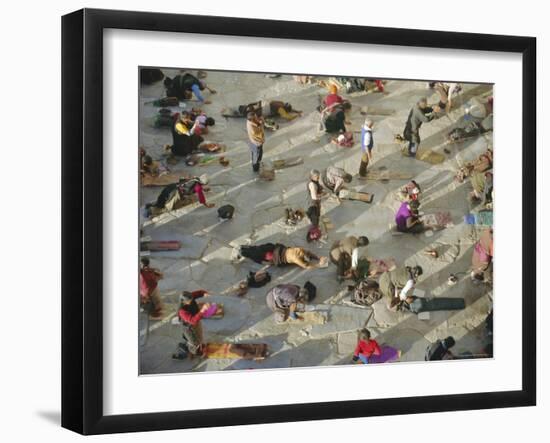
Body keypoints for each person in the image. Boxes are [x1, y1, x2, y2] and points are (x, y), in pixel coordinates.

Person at [147, 176, 214, 216]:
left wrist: (203, 189)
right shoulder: (198, 188)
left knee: (163, 198)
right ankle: (151, 211)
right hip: (175, 193)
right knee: (168, 207)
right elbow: (202, 199)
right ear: (203, 183)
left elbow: (182, 180)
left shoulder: (194, 178)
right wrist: (207, 205)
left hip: (172, 186)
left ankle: (152, 204)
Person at [174, 290, 211, 358]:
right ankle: (197, 352)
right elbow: (192, 320)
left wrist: (205, 293)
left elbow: (199, 292)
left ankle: (200, 346)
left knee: (200, 337)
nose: (191, 301)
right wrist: (202, 310)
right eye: (189, 301)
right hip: (189, 327)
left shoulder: (190, 297)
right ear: (183, 301)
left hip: (196, 322)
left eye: (191, 299)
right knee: (194, 342)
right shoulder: (182, 311)